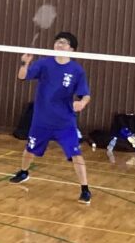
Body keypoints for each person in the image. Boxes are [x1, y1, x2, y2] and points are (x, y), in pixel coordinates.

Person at [8, 30, 92, 204]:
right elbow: (22, 76)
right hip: (42, 120)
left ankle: (85, 189)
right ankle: (23, 172)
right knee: (29, 149)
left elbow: (85, 94)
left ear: (72, 49)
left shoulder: (77, 70)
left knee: (76, 154)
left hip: (65, 122)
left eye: (64, 42)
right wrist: (25, 63)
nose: (59, 44)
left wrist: (82, 103)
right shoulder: (44, 64)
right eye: (57, 41)